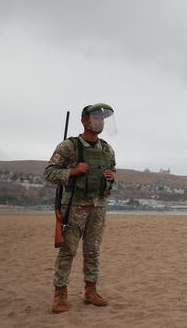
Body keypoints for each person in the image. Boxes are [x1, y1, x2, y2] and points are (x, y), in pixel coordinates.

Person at [44, 104, 117, 313]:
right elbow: (49, 173)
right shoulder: (69, 146)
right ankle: (60, 294)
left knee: (93, 251)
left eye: (102, 119)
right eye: (96, 117)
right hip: (74, 207)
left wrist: (111, 178)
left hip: (98, 207)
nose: (100, 122)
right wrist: (72, 171)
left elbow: (112, 171)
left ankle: (90, 291)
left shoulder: (107, 148)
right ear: (84, 120)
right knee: (68, 251)